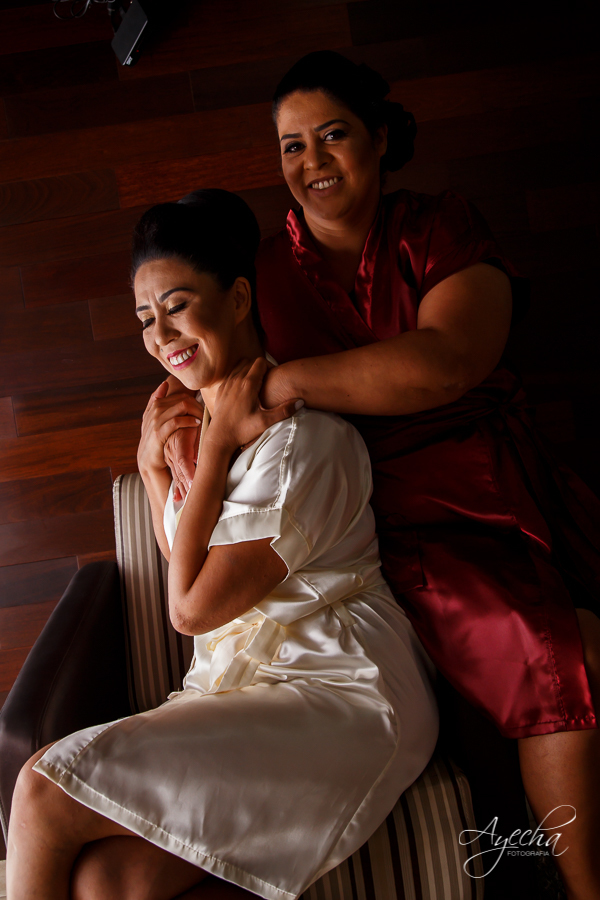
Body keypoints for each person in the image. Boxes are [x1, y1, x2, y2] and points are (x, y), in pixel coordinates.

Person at [163, 52, 600, 899]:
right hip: (385, 519)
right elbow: (200, 372)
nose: (313, 162)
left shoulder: (440, 228)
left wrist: (285, 383)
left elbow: (447, 363)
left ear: (382, 137)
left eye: (332, 135)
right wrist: (166, 444)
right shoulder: (260, 277)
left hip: (498, 482)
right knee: (563, 655)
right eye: (291, 147)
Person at [6, 190, 438, 900]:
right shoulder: (198, 437)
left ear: (238, 298)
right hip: (240, 688)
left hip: (337, 693)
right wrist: (154, 469)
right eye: (145, 318)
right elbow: (184, 561)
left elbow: (189, 609)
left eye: (177, 306)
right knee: (109, 883)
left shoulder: (302, 443)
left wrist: (209, 456)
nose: (160, 335)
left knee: (42, 787)